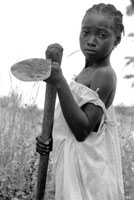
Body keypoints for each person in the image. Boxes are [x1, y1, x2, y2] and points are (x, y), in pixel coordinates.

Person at [36, 3, 125, 200]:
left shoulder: (104, 75)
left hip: (90, 176)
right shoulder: (83, 75)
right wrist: (48, 138)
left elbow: (82, 130)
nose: (91, 40)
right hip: (74, 168)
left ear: (116, 39)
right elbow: (68, 123)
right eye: (86, 32)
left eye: (102, 35)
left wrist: (59, 82)